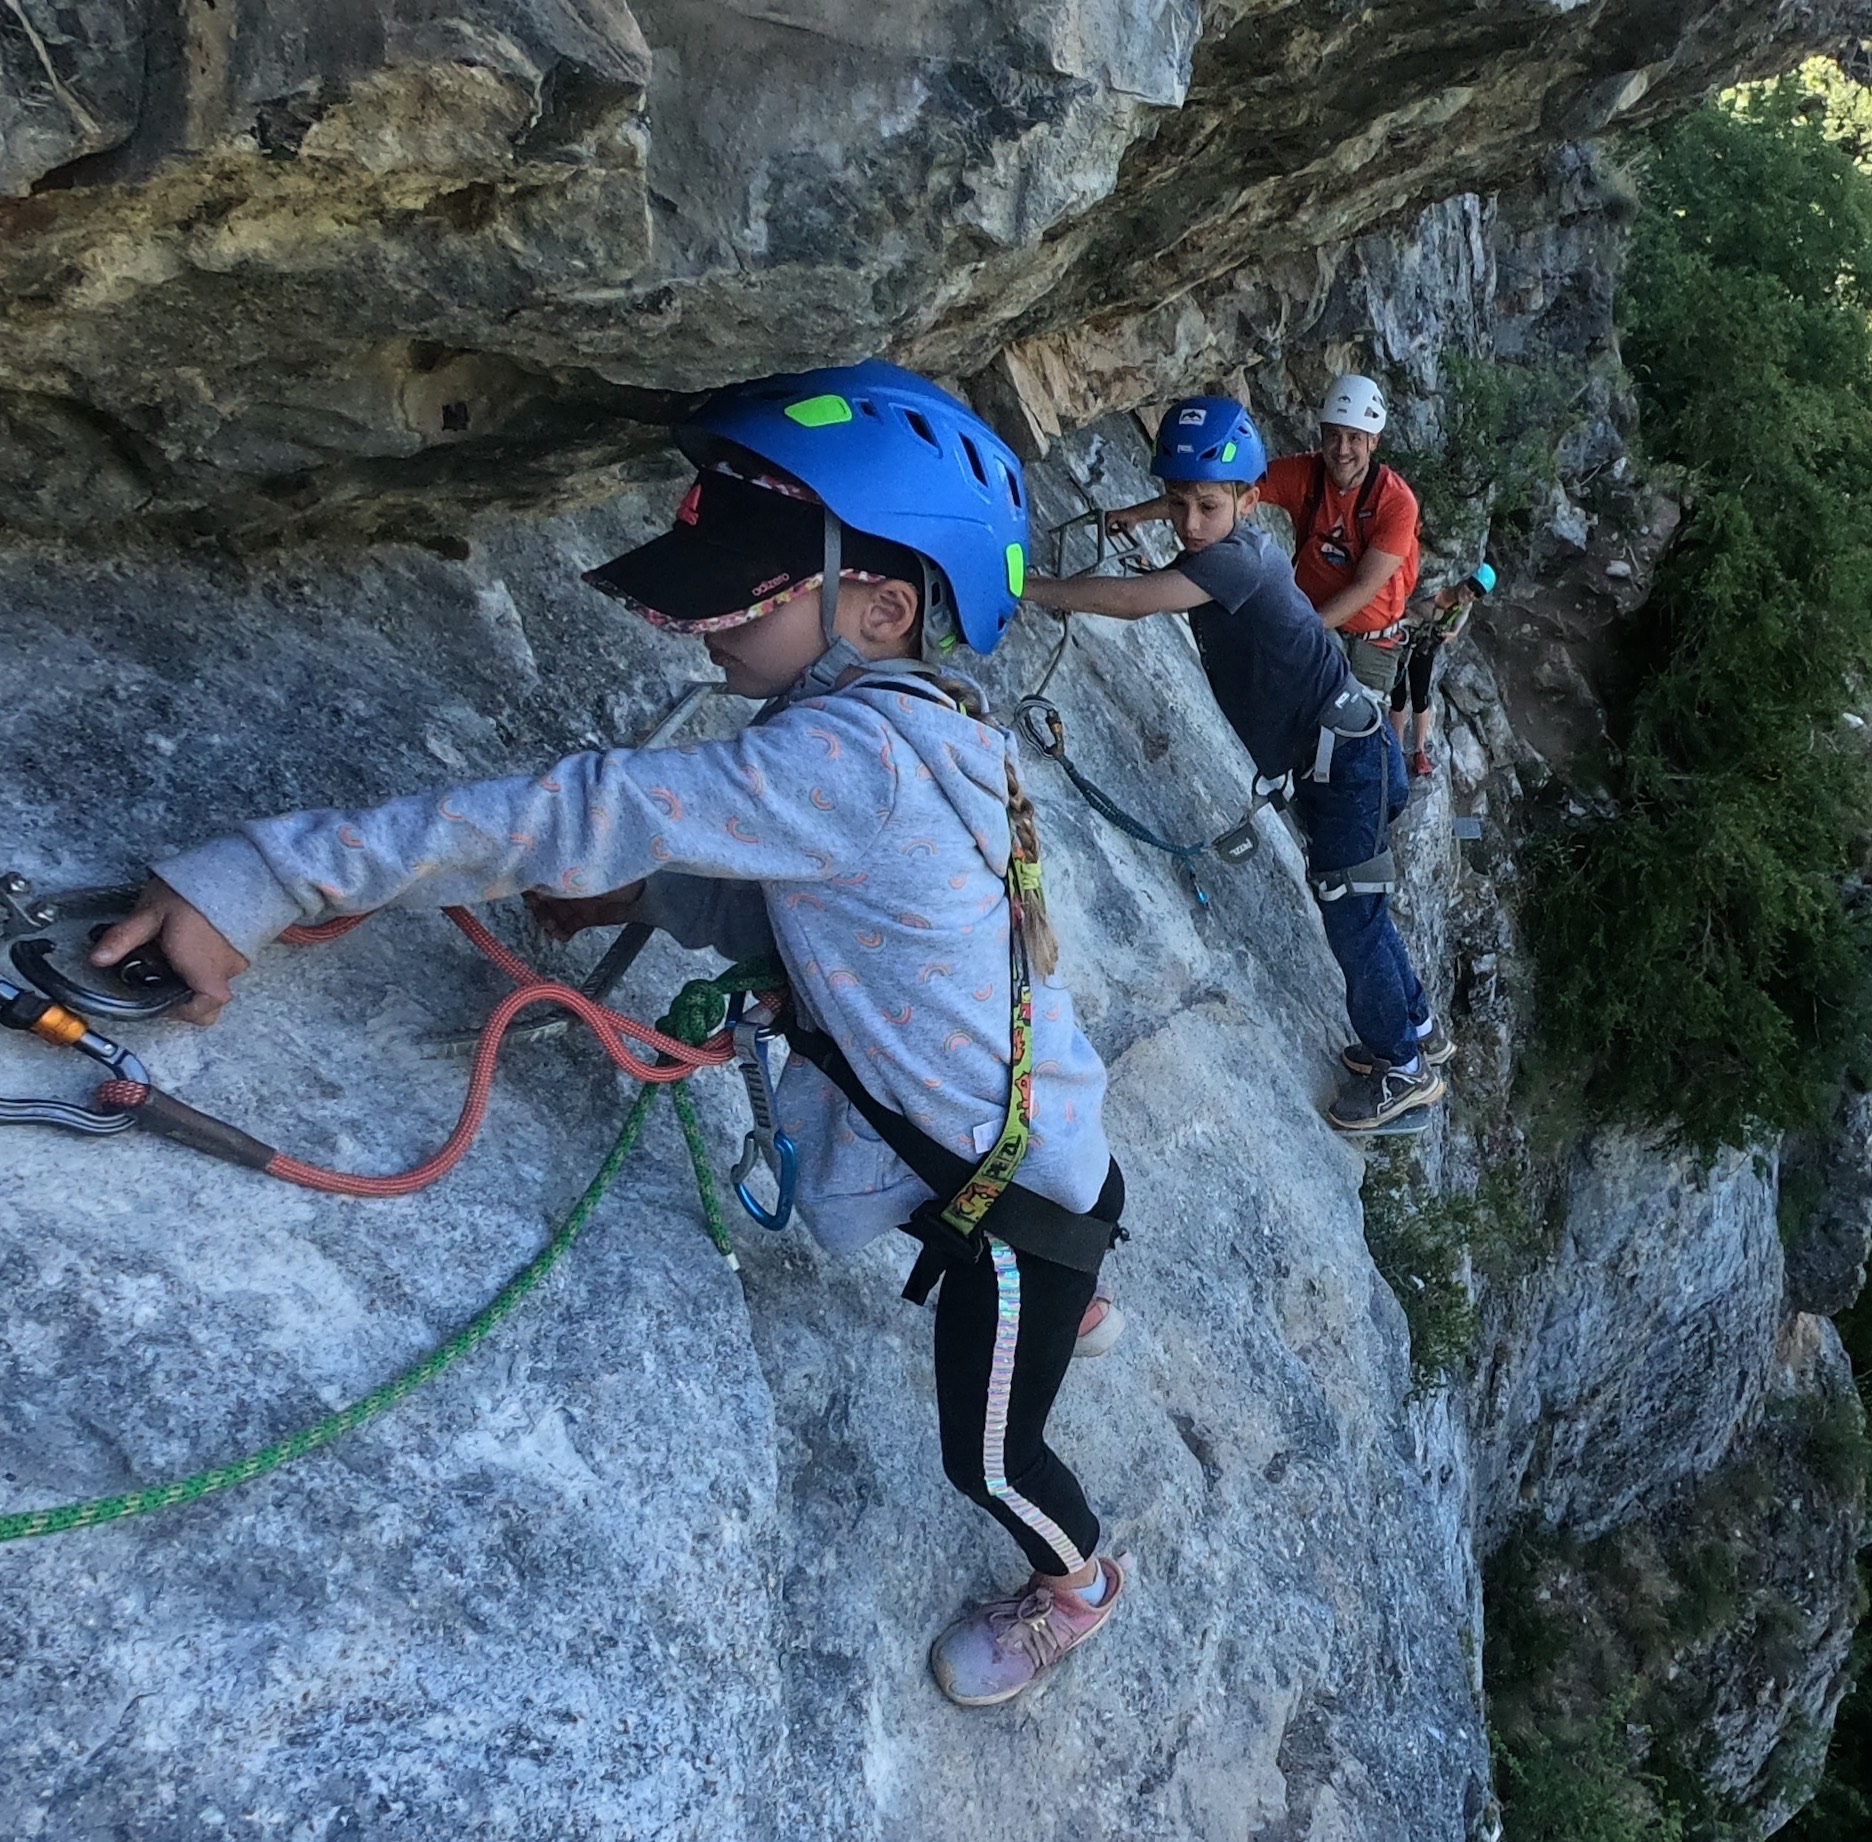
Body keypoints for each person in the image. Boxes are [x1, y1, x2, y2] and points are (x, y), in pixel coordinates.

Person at [90, 361, 1131, 1710]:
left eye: (750, 577)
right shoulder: (923, 729)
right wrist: (649, 895)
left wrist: (266, 878)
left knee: (989, 1458)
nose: (707, 618)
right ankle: (1082, 1290)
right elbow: (842, 907)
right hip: (1035, 1141)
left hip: (1008, 1210)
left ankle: (1079, 1584)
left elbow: (582, 807)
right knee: (1016, 1221)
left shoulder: (841, 760)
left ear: (878, 605)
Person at [1026, 395, 1450, 1130]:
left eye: (1208, 507)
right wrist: (1140, 516)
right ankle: (1415, 1027)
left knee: (1351, 916)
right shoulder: (1223, 543)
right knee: (1363, 903)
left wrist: (1031, 588)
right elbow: (1183, 523)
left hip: (1342, 761)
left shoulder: (1234, 563)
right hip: (1344, 751)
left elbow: (1136, 600)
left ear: (1248, 504)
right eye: (1178, 504)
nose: (1191, 523)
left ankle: (1403, 1069)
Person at [1251, 374, 1422, 700]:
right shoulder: (1305, 474)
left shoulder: (1396, 503)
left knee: (1355, 738)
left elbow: (1364, 587)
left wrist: (1303, 631)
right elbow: (1232, 489)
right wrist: (1134, 515)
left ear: (1374, 441)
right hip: (1313, 623)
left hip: (1371, 646)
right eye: (1333, 435)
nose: (1342, 449)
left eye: (1354, 437)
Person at [1392, 562, 1498, 776]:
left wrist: (1454, 632)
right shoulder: (1434, 590)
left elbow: (1465, 613)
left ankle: (1419, 752)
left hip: (1424, 647)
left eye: (1477, 594)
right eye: (1471, 587)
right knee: (1398, 696)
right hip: (1401, 643)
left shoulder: (1463, 604)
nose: (1470, 595)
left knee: (1421, 696)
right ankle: (1397, 750)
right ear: (1464, 579)